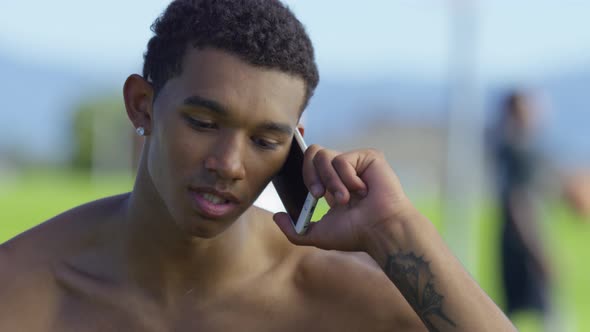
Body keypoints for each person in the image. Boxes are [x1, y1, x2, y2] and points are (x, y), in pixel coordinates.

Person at [0, 1, 514, 331]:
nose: (228, 163)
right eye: (203, 122)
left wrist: (397, 230)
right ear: (141, 105)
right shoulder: (23, 284)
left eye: (266, 139)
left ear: (295, 145)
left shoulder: (342, 295)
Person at [491, 91, 551, 321]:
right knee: (543, 312)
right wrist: (537, 250)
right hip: (523, 240)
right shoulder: (518, 151)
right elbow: (519, 202)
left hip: (512, 237)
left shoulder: (507, 147)